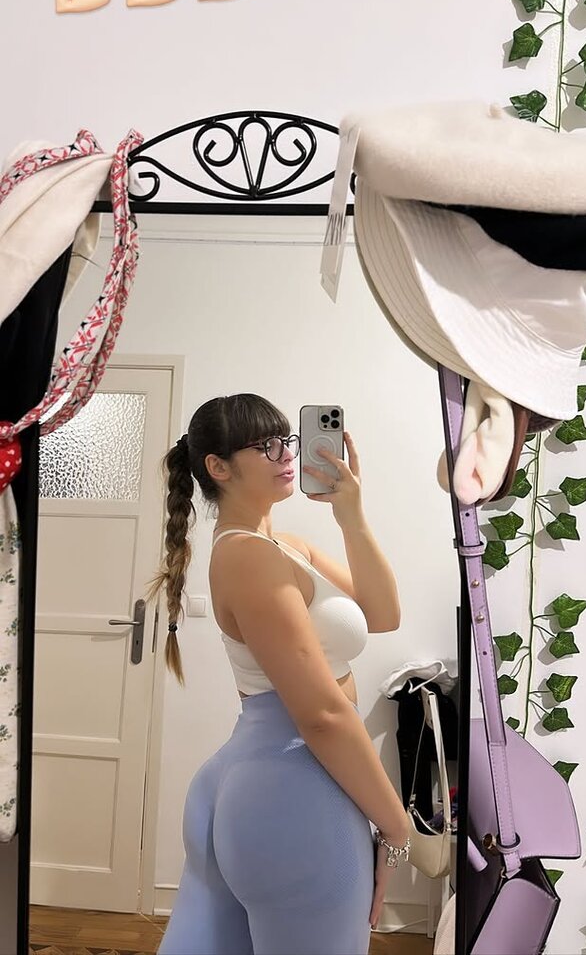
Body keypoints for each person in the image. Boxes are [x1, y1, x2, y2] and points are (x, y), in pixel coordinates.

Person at [150, 393, 411, 955]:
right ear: (218, 467)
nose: (285, 453)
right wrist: (397, 827)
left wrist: (351, 515)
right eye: (264, 445)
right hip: (295, 788)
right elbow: (320, 715)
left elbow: (384, 613)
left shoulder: (283, 547)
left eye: (286, 440)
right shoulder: (248, 556)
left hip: (274, 780)